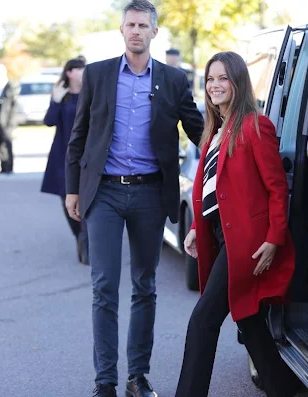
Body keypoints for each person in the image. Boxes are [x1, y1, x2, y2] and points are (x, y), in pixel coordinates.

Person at [65, 1, 204, 396]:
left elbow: (199, 132)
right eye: (131, 24)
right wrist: (73, 188)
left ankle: (136, 377)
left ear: (155, 33)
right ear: (122, 30)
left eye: (144, 25)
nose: (137, 31)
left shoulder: (174, 81)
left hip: (148, 193)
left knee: (145, 286)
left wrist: (237, 142)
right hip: (104, 192)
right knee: (104, 287)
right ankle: (105, 381)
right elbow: (79, 135)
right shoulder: (98, 74)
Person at [175, 51, 297, 397]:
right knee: (249, 320)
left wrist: (274, 238)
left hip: (247, 242)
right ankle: (282, 387)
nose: (215, 85)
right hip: (221, 235)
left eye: (222, 78)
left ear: (238, 82)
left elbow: (277, 188)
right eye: (210, 79)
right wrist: (198, 228)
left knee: (203, 320)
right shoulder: (215, 130)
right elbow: (214, 188)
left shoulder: (256, 126)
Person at [41, 57, 89, 265]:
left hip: (87, 154)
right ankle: (78, 235)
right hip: (63, 154)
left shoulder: (90, 93)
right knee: (66, 199)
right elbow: (49, 121)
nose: (82, 72)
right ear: (69, 72)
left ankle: (87, 244)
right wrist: (56, 100)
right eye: (79, 69)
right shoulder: (63, 96)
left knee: (88, 200)